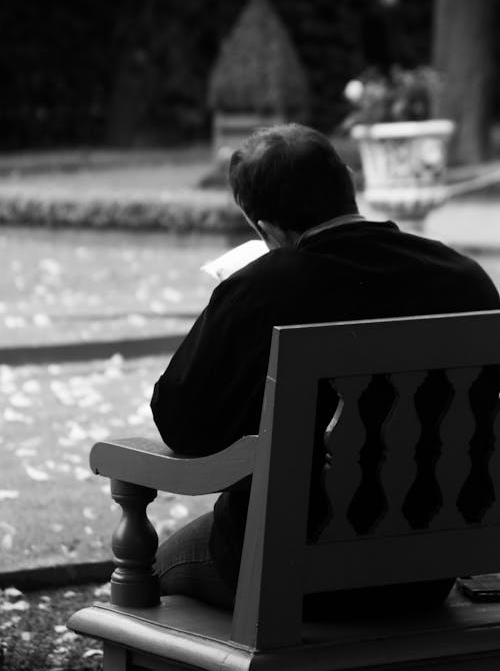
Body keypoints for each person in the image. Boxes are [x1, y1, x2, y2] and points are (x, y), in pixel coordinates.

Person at [150, 123, 500, 615]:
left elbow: (183, 424)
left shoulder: (263, 289)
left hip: (295, 562)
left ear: (264, 229)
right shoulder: (466, 280)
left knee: (153, 566)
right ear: (348, 186)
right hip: (429, 565)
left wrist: (226, 309)